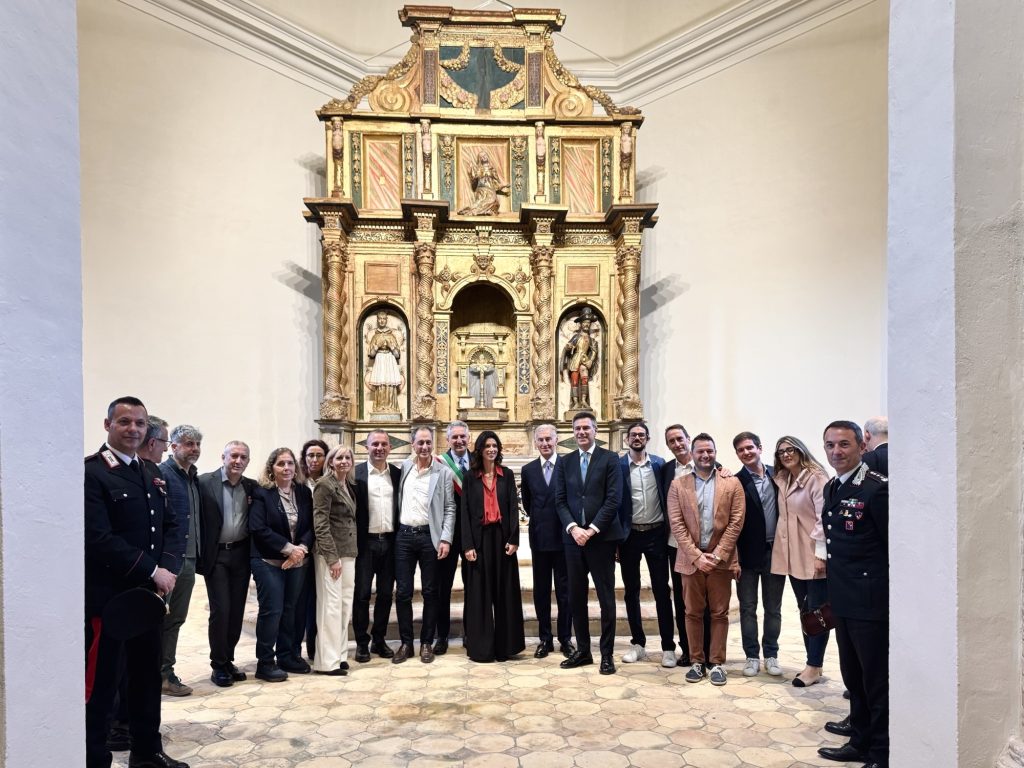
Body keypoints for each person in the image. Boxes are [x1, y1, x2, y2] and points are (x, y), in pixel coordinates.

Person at [84, 396, 187, 768]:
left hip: (147, 599)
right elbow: (97, 537)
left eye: (140, 423)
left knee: (146, 681)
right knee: (103, 687)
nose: (133, 429)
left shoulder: (150, 473)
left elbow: (172, 526)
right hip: (109, 600)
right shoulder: (92, 473)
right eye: (124, 422)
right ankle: (94, 759)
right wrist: (151, 570)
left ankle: (147, 753)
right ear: (108, 425)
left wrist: (168, 570)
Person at [817, 421, 889, 768]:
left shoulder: (876, 490)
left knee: (876, 681)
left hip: (869, 602)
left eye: (844, 445)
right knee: (853, 676)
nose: (836, 452)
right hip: (844, 599)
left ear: (863, 446)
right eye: (830, 445)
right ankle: (859, 740)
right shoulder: (833, 487)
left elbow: (890, 548)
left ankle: (880, 753)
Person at [667, 433, 744, 686]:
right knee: (692, 612)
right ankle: (697, 661)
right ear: (692, 453)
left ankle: (717, 663)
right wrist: (697, 556)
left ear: (715, 451)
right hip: (691, 560)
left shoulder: (731, 483)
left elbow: (736, 521)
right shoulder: (678, 485)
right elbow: (677, 525)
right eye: (700, 451)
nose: (705, 455)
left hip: (721, 559)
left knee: (719, 613)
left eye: (709, 451)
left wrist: (719, 554)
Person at [555, 411, 624, 675]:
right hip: (573, 541)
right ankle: (583, 650)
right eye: (577, 429)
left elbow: (613, 500)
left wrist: (591, 529)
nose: (582, 432)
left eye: (586, 428)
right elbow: (560, 500)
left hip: (602, 539)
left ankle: (607, 654)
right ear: (572, 432)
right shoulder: (566, 461)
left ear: (595, 430)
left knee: (606, 598)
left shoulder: (609, 459)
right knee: (576, 596)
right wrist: (574, 528)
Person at [770, 435, 830, 688]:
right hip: (792, 557)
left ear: (801, 450)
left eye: (791, 449)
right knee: (805, 609)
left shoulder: (816, 477)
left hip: (813, 556)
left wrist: (820, 555)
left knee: (817, 613)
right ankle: (812, 662)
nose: (786, 454)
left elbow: (823, 519)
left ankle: (813, 666)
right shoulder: (783, 478)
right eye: (781, 451)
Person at [249, 447, 314, 682]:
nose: (286, 468)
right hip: (268, 560)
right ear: (271, 468)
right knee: (273, 610)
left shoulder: (304, 492)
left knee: (293, 609)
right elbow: (258, 528)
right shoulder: (262, 493)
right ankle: (265, 662)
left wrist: (302, 549)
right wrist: (289, 549)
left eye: (290, 463)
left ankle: (288, 655)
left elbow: (311, 526)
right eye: (281, 464)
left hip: (298, 560)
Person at [461, 431, 525, 662]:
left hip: (502, 539)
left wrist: (514, 539)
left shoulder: (506, 475)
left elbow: (513, 510)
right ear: (479, 449)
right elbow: (465, 513)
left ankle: (505, 647)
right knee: (480, 594)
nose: (491, 449)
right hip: (479, 541)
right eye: (487, 445)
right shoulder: (470, 477)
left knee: (505, 592)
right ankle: (481, 648)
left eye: (494, 445)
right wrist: (467, 545)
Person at [394, 426, 456, 664]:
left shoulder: (443, 473)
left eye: (428, 443)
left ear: (434, 444)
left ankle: (427, 643)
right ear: (413, 444)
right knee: (403, 592)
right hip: (404, 537)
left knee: (431, 592)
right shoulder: (405, 469)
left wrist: (445, 538)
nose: (424, 447)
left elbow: (450, 508)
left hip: (430, 537)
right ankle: (406, 643)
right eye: (420, 443)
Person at [197, 442, 256, 688]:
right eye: (233, 455)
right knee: (221, 611)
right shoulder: (204, 483)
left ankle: (228, 659)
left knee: (236, 612)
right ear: (223, 457)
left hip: (241, 554)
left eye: (243, 457)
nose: (238, 461)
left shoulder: (251, 486)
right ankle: (218, 665)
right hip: (217, 555)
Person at [618, 421, 676, 668]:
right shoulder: (618, 466)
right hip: (630, 536)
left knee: (662, 590)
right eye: (633, 435)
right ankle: (638, 643)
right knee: (631, 590)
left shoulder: (660, 465)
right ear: (627, 439)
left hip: (656, 534)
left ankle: (668, 647)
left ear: (648, 438)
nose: (637, 438)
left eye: (641, 435)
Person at [733, 431, 785, 678]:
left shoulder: (780, 475)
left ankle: (771, 654)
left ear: (760, 448)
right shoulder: (735, 481)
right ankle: (751, 656)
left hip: (776, 552)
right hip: (747, 555)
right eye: (741, 450)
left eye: (749, 448)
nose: (746, 453)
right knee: (748, 608)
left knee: (773, 608)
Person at [520, 424, 574, 659]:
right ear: (535, 443)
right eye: (540, 440)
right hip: (540, 538)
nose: (545, 444)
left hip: (564, 538)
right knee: (541, 591)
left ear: (556, 440)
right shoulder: (528, 469)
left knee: (565, 591)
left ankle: (565, 638)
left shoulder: (567, 465)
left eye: (548, 439)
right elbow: (529, 504)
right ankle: (545, 638)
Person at [658, 423, 711, 665]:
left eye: (680, 439)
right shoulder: (666, 469)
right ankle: (688, 649)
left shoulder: (709, 465)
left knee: (705, 600)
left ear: (688, 439)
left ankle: (708, 650)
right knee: (681, 598)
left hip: (704, 546)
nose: (677, 444)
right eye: (672, 441)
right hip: (675, 545)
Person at [158, 424, 204, 698]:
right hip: (169, 562)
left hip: (188, 560)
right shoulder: (162, 475)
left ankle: (165, 672)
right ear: (173, 447)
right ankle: (157, 672)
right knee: (159, 619)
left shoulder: (193, 477)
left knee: (176, 619)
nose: (194, 449)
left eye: (197, 444)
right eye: (188, 444)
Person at [353, 429, 401, 662]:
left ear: (390, 448)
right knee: (361, 594)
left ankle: (379, 640)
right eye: (375, 444)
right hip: (365, 543)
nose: (380, 448)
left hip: (390, 543)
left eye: (384, 444)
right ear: (367, 447)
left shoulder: (398, 474)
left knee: (384, 594)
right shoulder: (356, 474)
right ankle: (362, 642)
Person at [312, 445, 358, 676]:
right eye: (339, 458)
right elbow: (320, 524)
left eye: (347, 457)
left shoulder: (346, 484)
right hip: (331, 555)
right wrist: (332, 558)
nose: (344, 461)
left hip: (348, 552)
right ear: (330, 461)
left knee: (343, 605)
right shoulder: (324, 485)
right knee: (330, 607)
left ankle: (339, 655)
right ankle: (326, 662)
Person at [433, 420, 470, 655]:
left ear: (469, 438)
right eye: (454, 437)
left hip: (472, 537)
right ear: (448, 440)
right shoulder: (439, 464)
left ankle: (471, 631)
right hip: (446, 534)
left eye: (462, 437)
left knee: (473, 586)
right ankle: (442, 635)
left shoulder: (478, 462)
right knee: (442, 587)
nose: (458, 441)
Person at [298, 439, 329, 660]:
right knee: (305, 599)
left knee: (322, 599)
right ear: (304, 458)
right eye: (311, 455)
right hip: (302, 547)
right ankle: (308, 646)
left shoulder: (331, 482)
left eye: (319, 455)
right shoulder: (298, 484)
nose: (315, 459)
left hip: (325, 548)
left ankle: (320, 645)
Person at [560, 307, 599, 411]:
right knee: (575, 381)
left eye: (588, 323)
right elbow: (569, 346)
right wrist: (569, 347)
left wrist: (590, 360)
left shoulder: (591, 340)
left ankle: (584, 401)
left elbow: (594, 351)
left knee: (585, 380)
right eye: (584, 322)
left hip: (584, 361)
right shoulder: (576, 337)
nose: (586, 324)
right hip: (575, 360)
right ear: (581, 324)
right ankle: (576, 402)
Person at [366, 311, 404, 413]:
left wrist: (392, 347)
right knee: (380, 384)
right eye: (380, 319)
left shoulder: (391, 335)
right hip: (379, 359)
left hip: (390, 359)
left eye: (384, 319)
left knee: (389, 384)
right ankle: (379, 407)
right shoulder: (375, 336)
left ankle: (391, 407)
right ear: (377, 320)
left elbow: (397, 355)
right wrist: (376, 347)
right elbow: (372, 354)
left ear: (386, 320)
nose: (382, 321)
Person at [457, 151, 510, 215]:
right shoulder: (478, 169)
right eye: (481, 156)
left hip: (490, 190)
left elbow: (496, 183)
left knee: (495, 202)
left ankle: (481, 211)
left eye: (485, 155)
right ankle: (472, 210)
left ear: (487, 156)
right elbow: (474, 179)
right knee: (482, 202)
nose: (484, 157)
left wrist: (504, 186)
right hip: (481, 190)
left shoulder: (492, 169)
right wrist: (470, 171)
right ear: (479, 159)